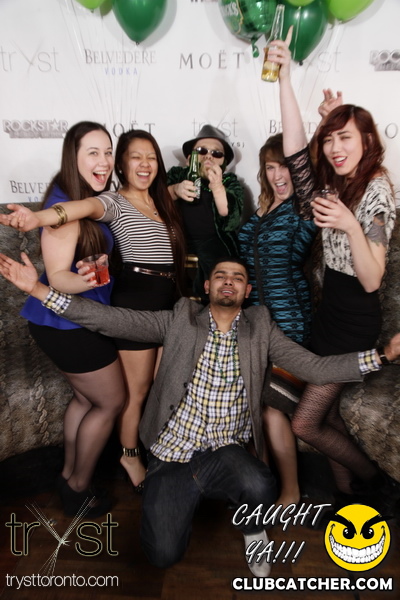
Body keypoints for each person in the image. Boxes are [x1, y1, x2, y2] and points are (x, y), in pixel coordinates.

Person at [1, 254, 399, 576]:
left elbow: (314, 367)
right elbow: (110, 319)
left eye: (238, 278)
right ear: (206, 287)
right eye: (220, 275)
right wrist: (37, 289)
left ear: (247, 291)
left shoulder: (261, 328)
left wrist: (384, 354)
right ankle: (177, 498)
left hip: (226, 452)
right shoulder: (180, 318)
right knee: (162, 555)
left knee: (258, 481)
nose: (228, 281)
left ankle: (252, 529)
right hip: (171, 455)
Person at [0, 129, 186, 494]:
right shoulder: (105, 200)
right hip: (109, 312)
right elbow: (77, 213)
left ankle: (70, 475)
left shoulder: (158, 199)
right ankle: (98, 474)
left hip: (152, 308)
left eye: (151, 157)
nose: (144, 163)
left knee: (103, 397)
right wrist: (38, 218)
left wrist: (177, 189)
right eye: (134, 157)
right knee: (123, 396)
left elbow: (158, 195)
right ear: (122, 166)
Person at [269, 29, 396, 498]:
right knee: (329, 417)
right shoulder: (337, 182)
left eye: (345, 138)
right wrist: (285, 77)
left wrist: (349, 226)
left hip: (355, 324)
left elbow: (373, 279)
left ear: (367, 140)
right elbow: (295, 150)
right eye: (329, 140)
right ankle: (348, 495)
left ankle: (376, 483)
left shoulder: (376, 190)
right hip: (330, 316)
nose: (334, 148)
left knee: (305, 422)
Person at [14, 121, 126, 517]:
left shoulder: (84, 197)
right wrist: (92, 278)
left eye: (108, 151)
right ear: (73, 158)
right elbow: (59, 276)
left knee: (84, 398)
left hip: (71, 319)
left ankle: (67, 476)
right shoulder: (63, 205)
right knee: (111, 402)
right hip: (66, 323)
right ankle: (78, 488)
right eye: (93, 153)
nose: (104, 161)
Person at [239, 133, 317, 508]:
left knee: (272, 407)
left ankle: (291, 490)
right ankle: (260, 485)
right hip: (255, 327)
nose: (277, 175)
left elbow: (306, 172)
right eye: (270, 167)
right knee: (248, 404)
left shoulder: (304, 208)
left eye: (284, 166)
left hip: (291, 327)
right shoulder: (262, 208)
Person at [167, 124, 244, 301]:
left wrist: (217, 187)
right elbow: (155, 201)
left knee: (216, 272)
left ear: (224, 163)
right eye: (201, 151)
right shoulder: (178, 175)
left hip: (213, 245)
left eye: (216, 153)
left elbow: (228, 214)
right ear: (189, 158)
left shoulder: (229, 181)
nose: (209, 156)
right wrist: (175, 190)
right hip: (179, 243)